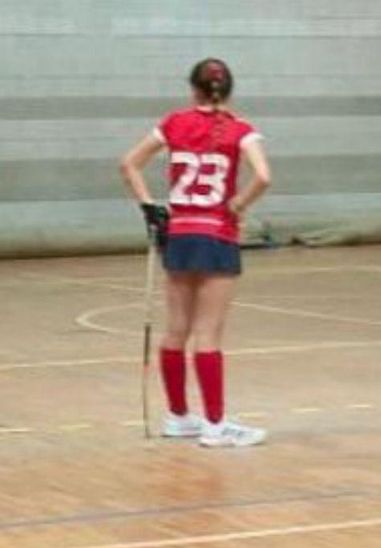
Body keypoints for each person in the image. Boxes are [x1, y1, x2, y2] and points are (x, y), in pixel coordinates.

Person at [119, 58, 272, 447]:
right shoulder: (242, 130)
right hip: (217, 235)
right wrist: (237, 204)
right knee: (208, 334)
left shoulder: (174, 122)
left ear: (193, 89)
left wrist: (149, 205)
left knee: (176, 330)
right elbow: (264, 176)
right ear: (230, 91)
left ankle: (178, 417)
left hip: (179, 234)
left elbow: (129, 163)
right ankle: (216, 426)